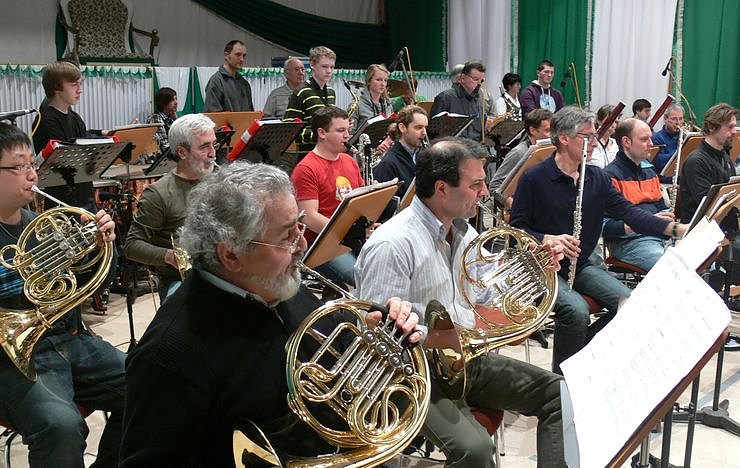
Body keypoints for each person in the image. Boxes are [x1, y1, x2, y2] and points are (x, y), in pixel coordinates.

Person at [119, 161, 424, 466]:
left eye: (299, 225)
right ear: (231, 255)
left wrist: (383, 339)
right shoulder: (171, 353)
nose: (302, 244)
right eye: (287, 237)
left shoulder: (277, 286)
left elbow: (338, 356)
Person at [356, 137, 567, 467]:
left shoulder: (464, 231)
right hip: (414, 373)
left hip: (465, 360)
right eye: (476, 184)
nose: (484, 193)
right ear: (442, 189)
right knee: (476, 450)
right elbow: (378, 342)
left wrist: (535, 269)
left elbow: (486, 294)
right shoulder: (392, 245)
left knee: (560, 395)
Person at [509, 106, 686, 373]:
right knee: (577, 311)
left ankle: (581, 359)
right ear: (564, 138)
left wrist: (676, 229)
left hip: (578, 265)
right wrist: (547, 238)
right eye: (587, 136)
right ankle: (561, 382)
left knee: (629, 304)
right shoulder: (535, 178)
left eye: (594, 136)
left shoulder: (596, 177)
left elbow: (631, 214)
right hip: (541, 267)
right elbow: (515, 232)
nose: (594, 142)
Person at [0, 122, 125, 468]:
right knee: (62, 427)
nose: (32, 174)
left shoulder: (40, 224)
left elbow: (91, 284)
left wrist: (102, 246)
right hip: (11, 359)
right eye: (19, 166)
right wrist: (32, 269)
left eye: (32, 164)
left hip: (68, 340)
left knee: (154, 382)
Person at [123, 114, 217, 302]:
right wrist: (171, 257)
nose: (213, 153)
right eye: (204, 147)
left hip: (220, 275)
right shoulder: (159, 194)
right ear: (182, 152)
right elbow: (132, 245)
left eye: (214, 144)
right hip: (180, 281)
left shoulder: (220, 182)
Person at [290, 106, 363, 286]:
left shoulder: (349, 161)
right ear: (322, 133)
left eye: (348, 130)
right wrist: (348, 231)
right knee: (360, 276)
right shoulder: (306, 169)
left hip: (350, 236)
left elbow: (361, 200)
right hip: (322, 245)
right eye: (340, 131)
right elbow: (308, 217)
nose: (347, 136)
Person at [604, 118, 682, 271]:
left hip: (660, 235)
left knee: (700, 259)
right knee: (674, 268)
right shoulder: (609, 177)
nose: (651, 144)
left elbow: (660, 206)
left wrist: (667, 218)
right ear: (626, 142)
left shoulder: (649, 171)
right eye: (644, 139)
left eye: (650, 138)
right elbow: (604, 227)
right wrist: (649, 223)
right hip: (630, 243)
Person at [31, 60, 107, 208]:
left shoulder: (75, 118)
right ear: (57, 87)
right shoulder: (46, 120)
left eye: (80, 84)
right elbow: (67, 159)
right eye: (74, 85)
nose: (80, 90)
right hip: (64, 199)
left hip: (85, 195)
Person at [679, 103, 738, 224]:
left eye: (735, 126)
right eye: (730, 127)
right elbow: (708, 205)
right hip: (702, 228)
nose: (734, 131)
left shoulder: (724, 156)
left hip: (722, 225)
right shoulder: (696, 161)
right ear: (711, 127)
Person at [489, 108, 552, 204]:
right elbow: (495, 186)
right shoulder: (519, 153)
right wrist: (516, 207)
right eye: (548, 130)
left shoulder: (549, 149)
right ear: (533, 130)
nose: (552, 135)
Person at [284, 46, 337, 157]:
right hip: (307, 155)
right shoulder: (301, 92)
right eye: (324, 66)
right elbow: (290, 131)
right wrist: (321, 135)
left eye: (332, 67)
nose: (329, 71)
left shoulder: (331, 92)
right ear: (312, 65)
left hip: (327, 153)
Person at [430, 60, 495, 143]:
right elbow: (434, 133)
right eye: (475, 79)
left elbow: (480, 132)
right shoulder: (445, 98)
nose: (479, 84)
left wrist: (488, 126)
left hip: (475, 146)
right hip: (453, 147)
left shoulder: (479, 100)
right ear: (463, 78)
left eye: (481, 81)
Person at [373, 104, 428, 199]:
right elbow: (383, 203)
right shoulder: (388, 164)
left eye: (425, 128)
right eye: (418, 128)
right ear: (402, 127)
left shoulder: (423, 155)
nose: (424, 133)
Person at [203, 40, 254, 112]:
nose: (242, 59)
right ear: (226, 55)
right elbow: (213, 114)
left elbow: (250, 113)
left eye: (244, 55)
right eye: (238, 54)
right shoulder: (216, 82)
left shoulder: (244, 84)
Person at [652, 103, 685, 178]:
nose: (678, 123)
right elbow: (660, 163)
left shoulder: (684, 136)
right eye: (674, 119)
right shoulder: (657, 138)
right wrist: (682, 149)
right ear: (665, 119)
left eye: (680, 119)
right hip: (665, 180)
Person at [146, 86, 178, 156]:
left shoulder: (170, 118)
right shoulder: (155, 118)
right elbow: (164, 146)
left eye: (176, 99)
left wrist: (176, 120)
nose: (176, 103)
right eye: (172, 100)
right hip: (160, 157)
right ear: (163, 103)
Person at [588, 104, 620, 169]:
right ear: (598, 120)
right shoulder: (590, 142)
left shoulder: (616, 144)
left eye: (616, 122)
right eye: (610, 121)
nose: (613, 125)